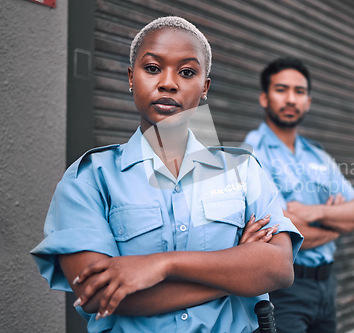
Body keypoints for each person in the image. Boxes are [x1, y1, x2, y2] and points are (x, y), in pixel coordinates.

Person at [31, 17, 302, 333]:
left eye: (187, 72)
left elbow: (278, 269)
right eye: (152, 68)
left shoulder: (243, 171)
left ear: (205, 88)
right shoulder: (90, 179)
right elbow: (97, 294)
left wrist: (160, 265)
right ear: (131, 78)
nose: (168, 83)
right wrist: (239, 272)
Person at [244, 57, 354, 333]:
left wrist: (315, 213)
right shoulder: (253, 154)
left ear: (308, 101)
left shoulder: (318, 155)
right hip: (284, 292)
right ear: (264, 98)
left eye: (299, 92)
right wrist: (337, 225)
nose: (291, 99)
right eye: (281, 90)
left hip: (327, 287)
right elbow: (281, 234)